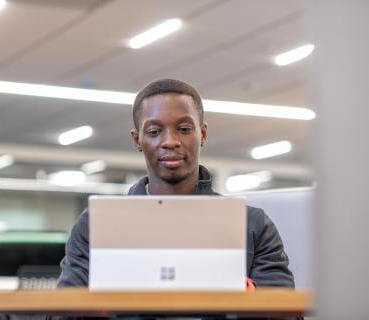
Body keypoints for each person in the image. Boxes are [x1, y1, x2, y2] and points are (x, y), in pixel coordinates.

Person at [57, 78, 294, 288]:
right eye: (153, 131)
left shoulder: (252, 225)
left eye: (183, 129)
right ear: (136, 139)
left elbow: (284, 312)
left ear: (202, 134)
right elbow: (60, 312)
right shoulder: (97, 224)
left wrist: (242, 298)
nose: (170, 141)